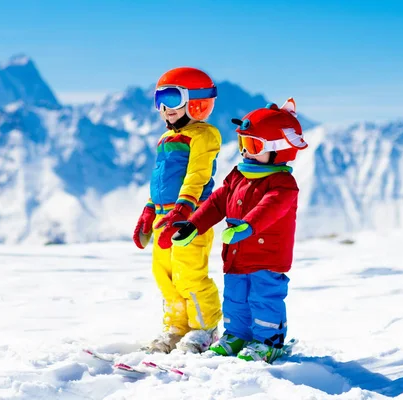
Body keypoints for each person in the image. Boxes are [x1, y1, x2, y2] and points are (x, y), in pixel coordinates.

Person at [171, 98, 308, 363]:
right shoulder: (238, 175)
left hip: (267, 259)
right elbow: (218, 201)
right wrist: (194, 224)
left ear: (279, 150)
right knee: (235, 298)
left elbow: (270, 208)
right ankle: (236, 334)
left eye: (253, 145)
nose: (245, 152)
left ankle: (268, 341)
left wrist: (247, 226)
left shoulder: (283, 184)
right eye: (242, 144)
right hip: (235, 256)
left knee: (263, 298)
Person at [132, 67, 223, 353]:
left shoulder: (204, 135)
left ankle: (203, 328)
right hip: (164, 216)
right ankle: (176, 327)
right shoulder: (166, 138)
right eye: (159, 99)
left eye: (172, 98)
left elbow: (197, 175)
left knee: (189, 273)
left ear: (196, 101)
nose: (165, 108)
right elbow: (161, 182)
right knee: (165, 274)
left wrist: (183, 210)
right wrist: (149, 210)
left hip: (191, 218)